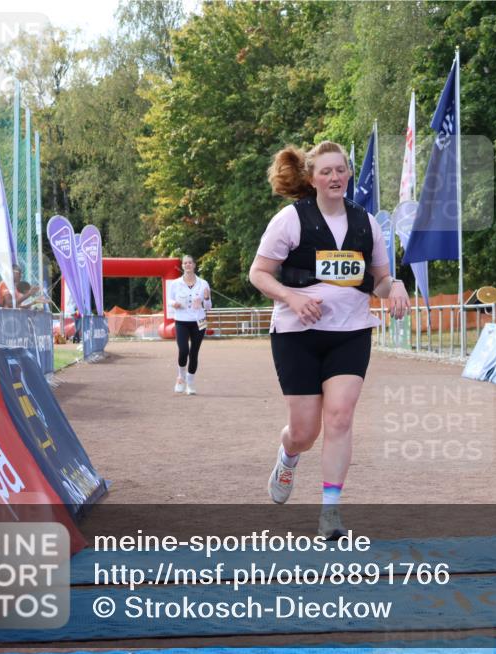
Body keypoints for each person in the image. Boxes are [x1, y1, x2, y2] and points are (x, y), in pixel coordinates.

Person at [249, 141, 410, 539]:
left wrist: (398, 287)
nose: (335, 177)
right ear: (311, 178)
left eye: (340, 170)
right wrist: (291, 296)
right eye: (326, 171)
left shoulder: (366, 223)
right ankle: (288, 457)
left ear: (348, 174)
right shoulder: (290, 220)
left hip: (350, 333)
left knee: (340, 417)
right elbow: (259, 273)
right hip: (296, 336)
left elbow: (380, 280)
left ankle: (331, 512)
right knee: (305, 432)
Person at [167, 254, 212, 396]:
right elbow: (169, 299)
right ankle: (180, 377)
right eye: (185, 263)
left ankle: (190, 382)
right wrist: (174, 303)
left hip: (200, 321)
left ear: (194, 265)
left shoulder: (203, 283)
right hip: (182, 320)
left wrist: (206, 298)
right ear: (182, 266)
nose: (187, 265)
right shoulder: (175, 283)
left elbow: (209, 307)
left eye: (190, 263)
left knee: (194, 353)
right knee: (183, 350)